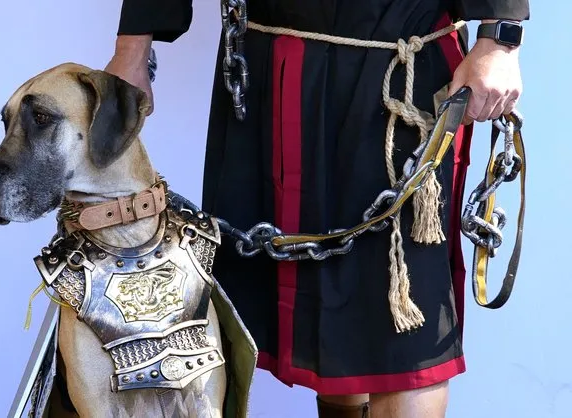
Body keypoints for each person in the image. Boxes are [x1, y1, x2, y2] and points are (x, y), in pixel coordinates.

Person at [104, 1, 529, 417]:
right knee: (323, 330)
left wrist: (501, 35)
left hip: (401, 61)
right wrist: (132, 49)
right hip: (265, 62)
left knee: (403, 339)